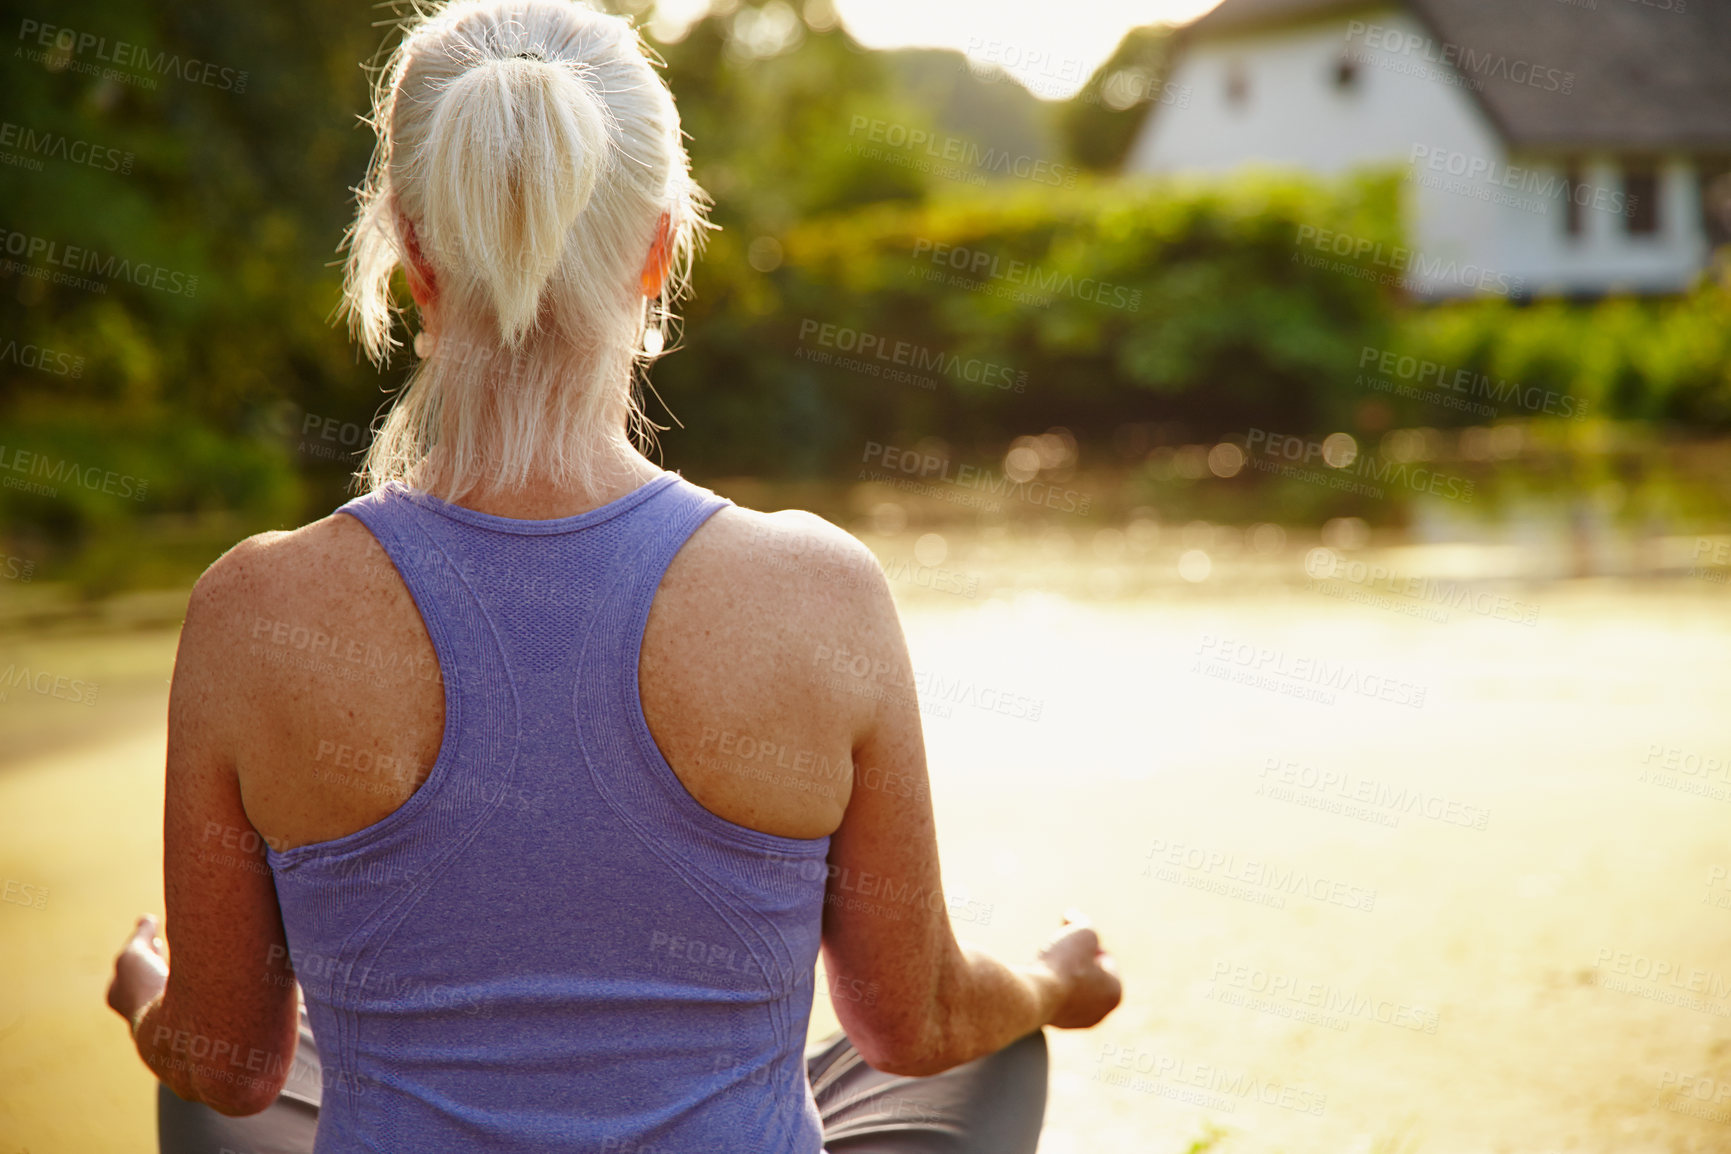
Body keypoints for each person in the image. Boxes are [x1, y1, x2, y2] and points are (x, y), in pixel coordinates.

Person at [103, 2, 1123, 1150]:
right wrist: (1048, 981)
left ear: (412, 253)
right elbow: (914, 1013)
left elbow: (229, 1060)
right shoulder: (820, 589)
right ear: (657, 249)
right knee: (990, 1039)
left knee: (232, 1078)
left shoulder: (254, 610)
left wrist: (149, 990)